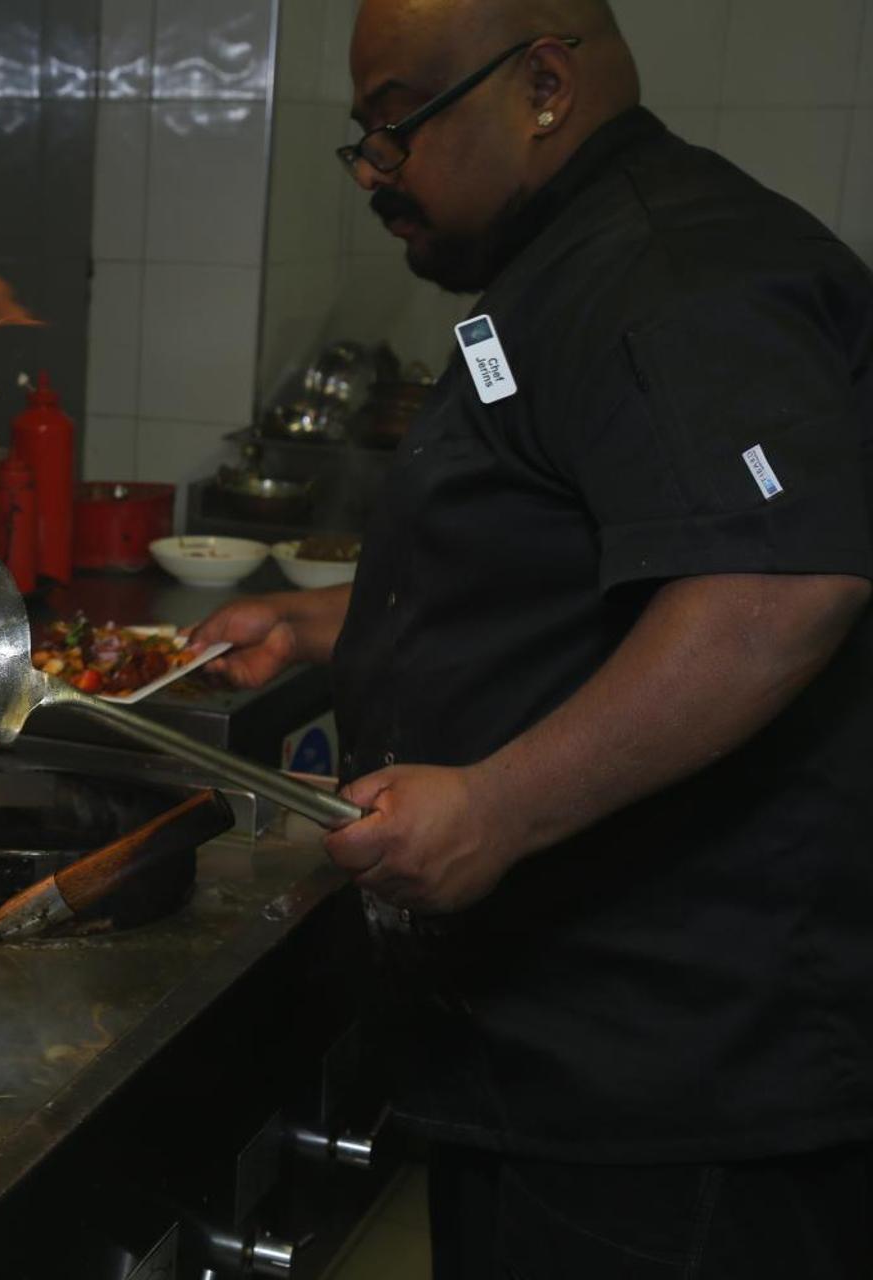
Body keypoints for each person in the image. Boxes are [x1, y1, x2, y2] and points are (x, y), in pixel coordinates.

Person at [193, 1, 873, 1274]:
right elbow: (590, 569)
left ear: (544, 84)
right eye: (365, 140)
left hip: (681, 1087)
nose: (376, 175)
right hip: (567, 1055)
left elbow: (776, 591)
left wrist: (498, 804)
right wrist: (334, 624)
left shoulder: (670, 272)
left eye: (394, 128)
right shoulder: (573, 266)